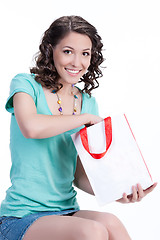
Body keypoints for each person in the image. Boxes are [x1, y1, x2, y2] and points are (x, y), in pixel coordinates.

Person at [0, 15, 157, 240]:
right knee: (91, 231)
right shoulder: (25, 85)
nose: (77, 62)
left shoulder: (87, 103)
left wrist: (119, 192)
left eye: (85, 53)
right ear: (50, 50)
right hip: (21, 216)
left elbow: (79, 175)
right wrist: (82, 119)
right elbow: (31, 127)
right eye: (67, 51)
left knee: (111, 223)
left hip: (66, 211)